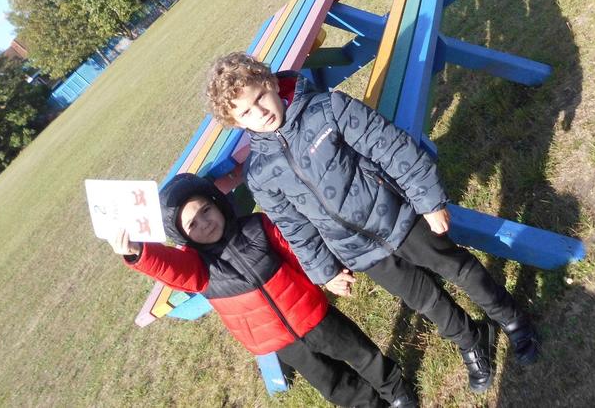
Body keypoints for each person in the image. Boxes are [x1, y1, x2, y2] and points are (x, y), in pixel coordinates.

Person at [205, 53, 540, 394]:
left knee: (458, 268)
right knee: (423, 298)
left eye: (260, 97)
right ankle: (471, 339)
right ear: (236, 122)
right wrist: (325, 271)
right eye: (246, 112)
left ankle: (510, 317)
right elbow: (295, 228)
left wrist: (428, 200)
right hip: (358, 250)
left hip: (399, 216)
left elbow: (391, 147)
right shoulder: (260, 174)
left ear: (272, 83)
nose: (260, 113)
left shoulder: (328, 109)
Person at [110, 172, 417, 408]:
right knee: (333, 383)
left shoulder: (256, 227)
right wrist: (138, 252)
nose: (204, 223)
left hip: (313, 313)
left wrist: (327, 274)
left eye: (205, 210)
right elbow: (168, 266)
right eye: (192, 224)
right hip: (278, 340)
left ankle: (396, 390)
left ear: (217, 204)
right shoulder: (197, 269)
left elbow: (297, 252)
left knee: (360, 352)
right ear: (182, 235)